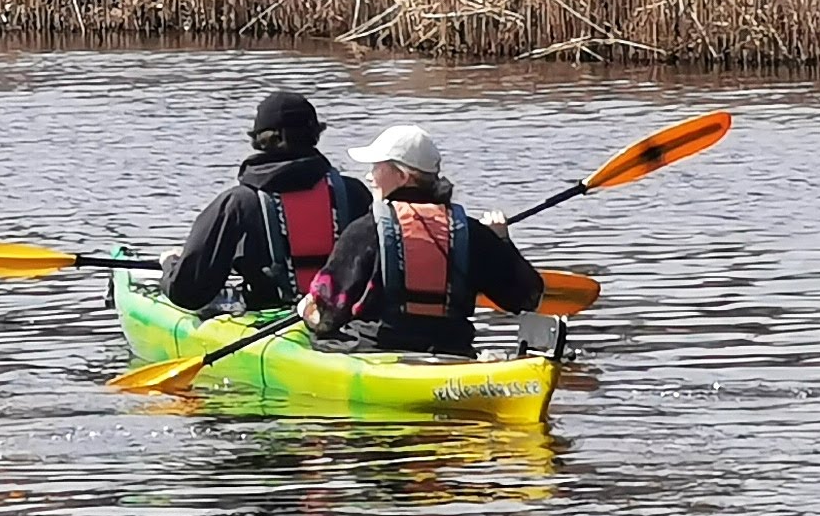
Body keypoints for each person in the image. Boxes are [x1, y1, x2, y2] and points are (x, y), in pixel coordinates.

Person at [301, 125, 544, 356]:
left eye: (377, 167)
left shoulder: (364, 231)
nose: (369, 176)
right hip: (451, 352)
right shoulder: (471, 233)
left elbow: (325, 316)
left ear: (402, 176)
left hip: (376, 353)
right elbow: (528, 298)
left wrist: (306, 308)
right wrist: (501, 240)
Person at [159, 90, 372, 314]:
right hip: (341, 317)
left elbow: (187, 293)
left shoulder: (238, 204)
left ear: (259, 140)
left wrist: (170, 265)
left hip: (269, 317)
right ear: (315, 135)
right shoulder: (354, 193)